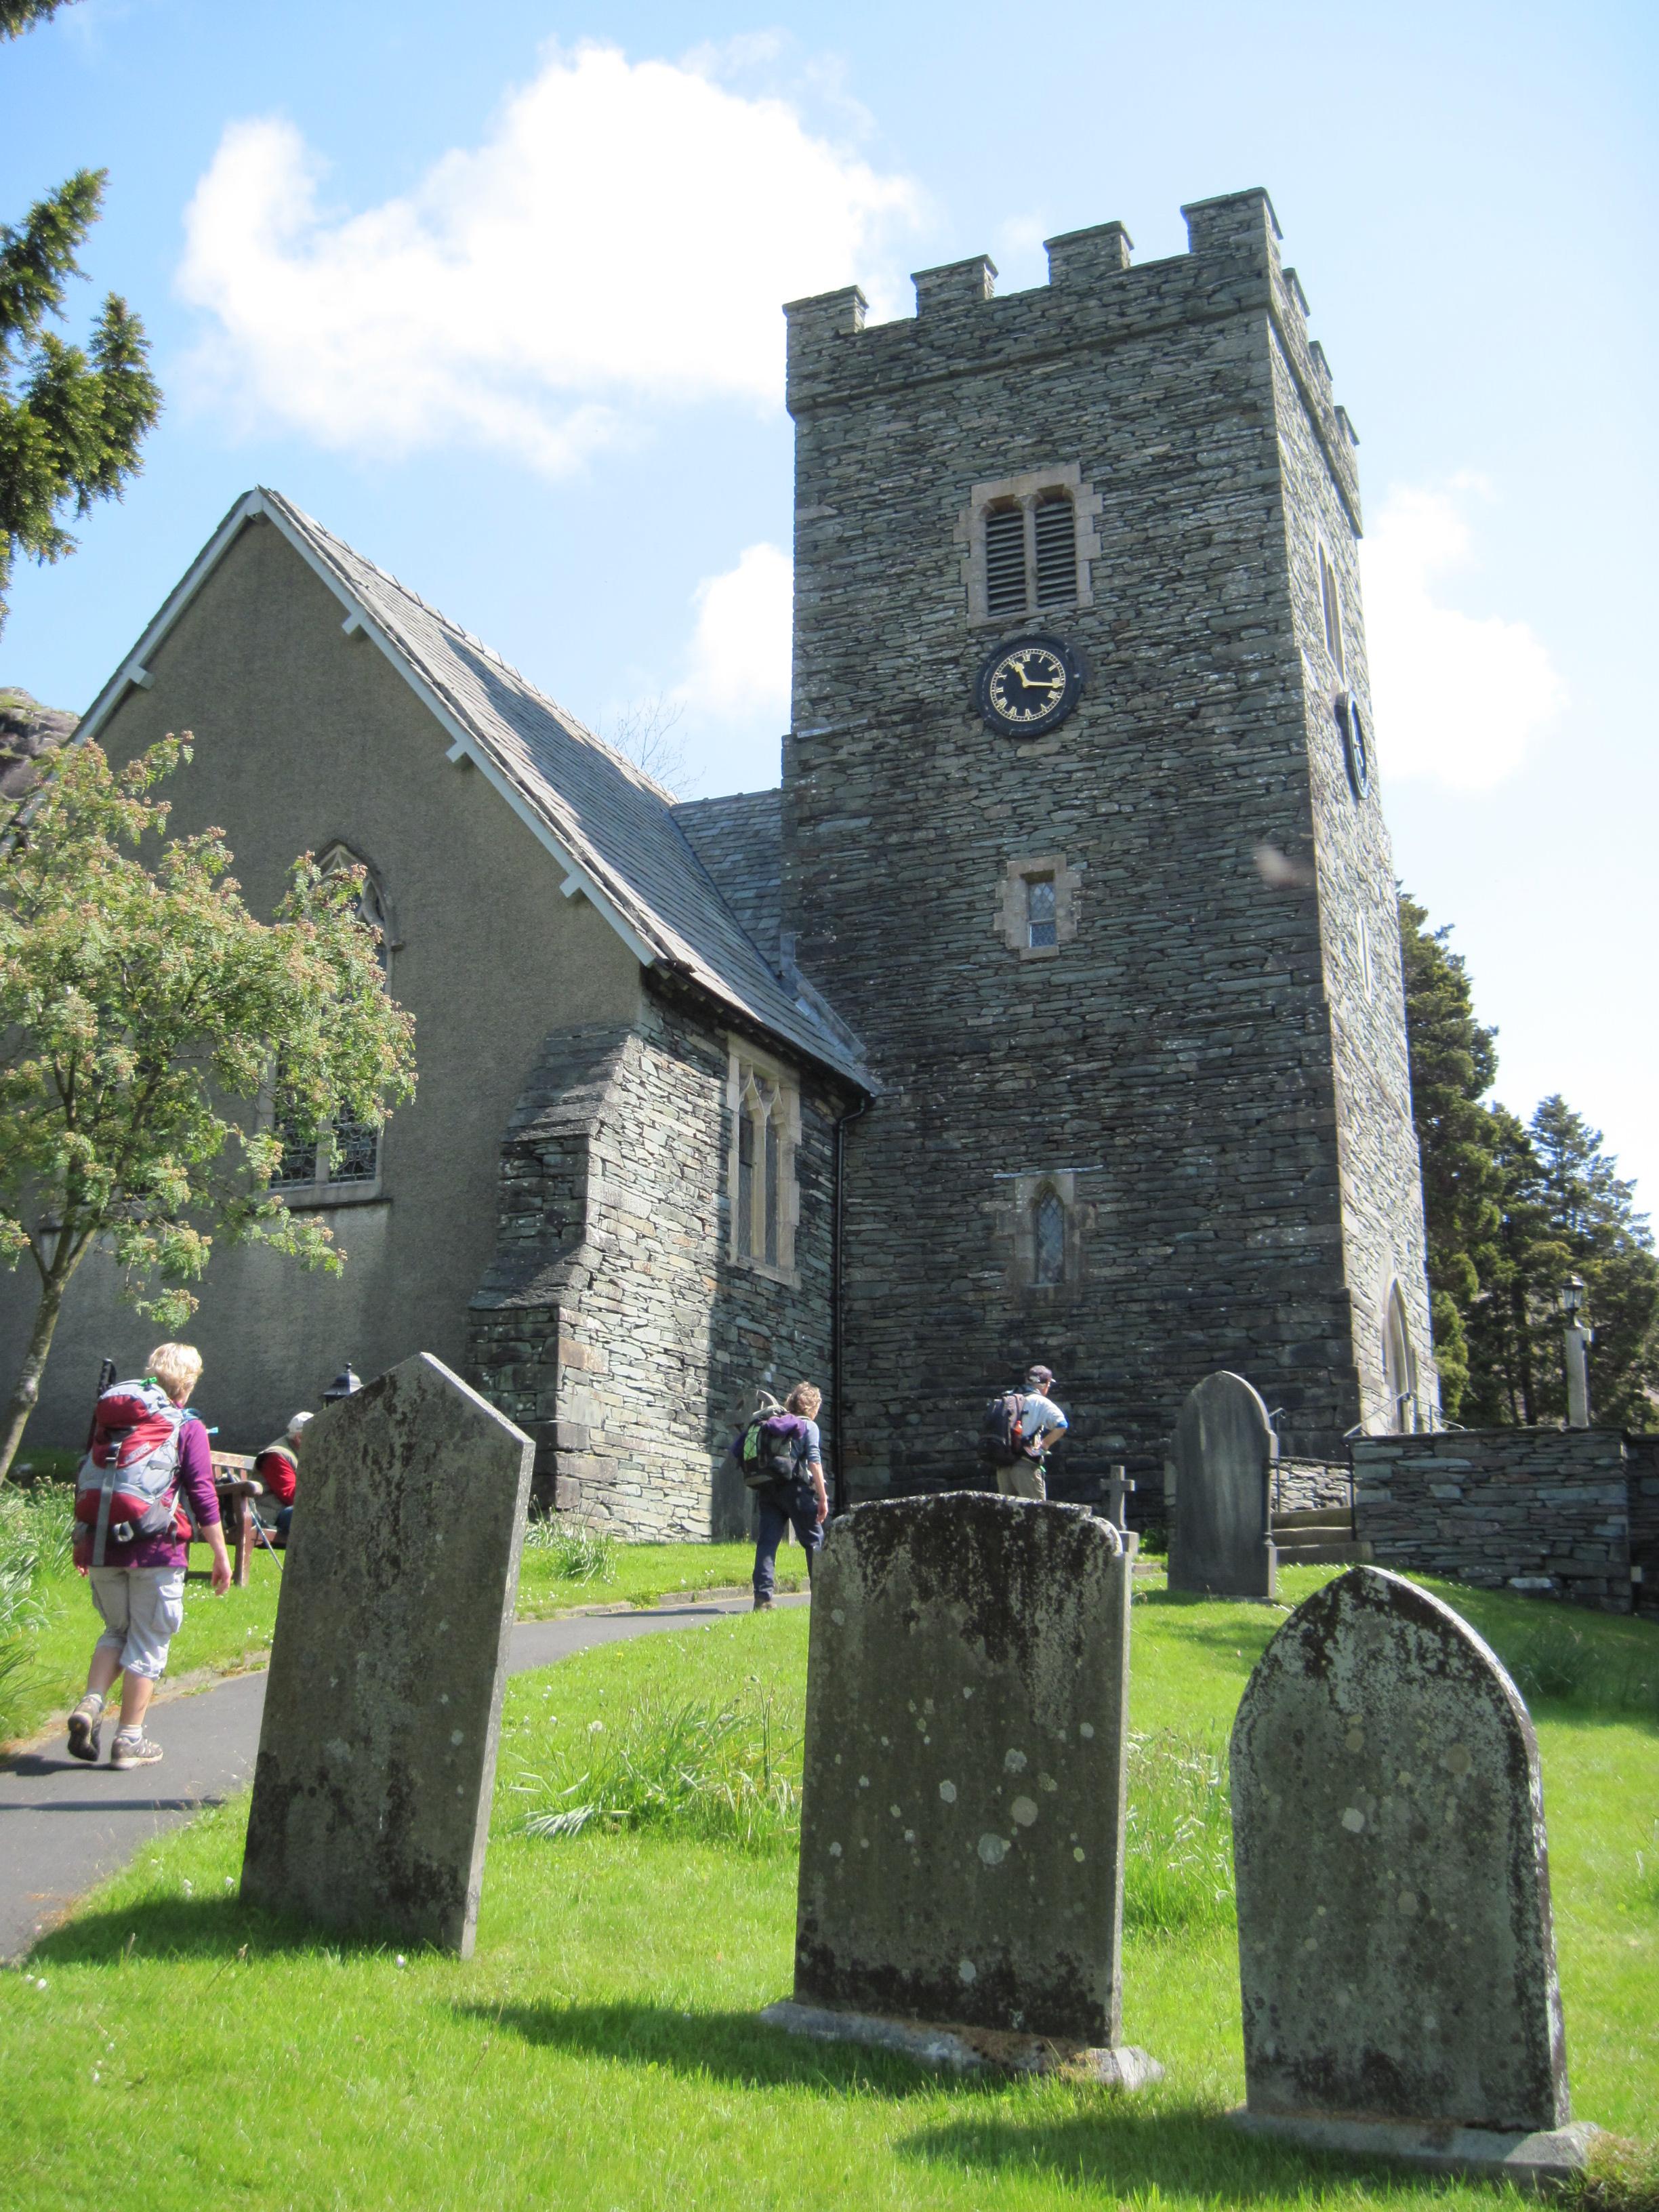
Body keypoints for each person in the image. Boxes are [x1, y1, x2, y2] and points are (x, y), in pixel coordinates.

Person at [66, 1343, 230, 1771]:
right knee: (149, 1641)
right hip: (157, 1550)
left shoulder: (109, 1422)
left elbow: (88, 1477)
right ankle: (129, 1742)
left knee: (115, 1631)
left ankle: (90, 1703)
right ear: (189, 1382)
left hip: (103, 1548)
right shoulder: (186, 1424)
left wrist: (81, 1543)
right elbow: (201, 1492)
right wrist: (219, 1554)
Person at [752, 1382, 830, 1612]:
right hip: (795, 1489)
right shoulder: (809, 1426)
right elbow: (814, 1461)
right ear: (813, 1406)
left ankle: (762, 1600)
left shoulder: (776, 1425)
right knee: (815, 1540)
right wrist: (823, 1497)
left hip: (769, 1487)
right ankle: (823, 1598)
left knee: (767, 1542)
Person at [996, 1363, 1069, 1500]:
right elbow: (1062, 1424)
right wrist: (1045, 1444)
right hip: (1025, 1465)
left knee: (1007, 1516)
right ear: (1046, 1384)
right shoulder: (1041, 1402)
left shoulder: (1007, 1398)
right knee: (1036, 1514)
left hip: (1003, 1465)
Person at [254, 1410, 312, 1544]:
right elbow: (290, 1495)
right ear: (300, 1437)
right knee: (313, 1514)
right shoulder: (277, 1455)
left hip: (289, 1510)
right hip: (273, 1515)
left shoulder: (304, 1452)